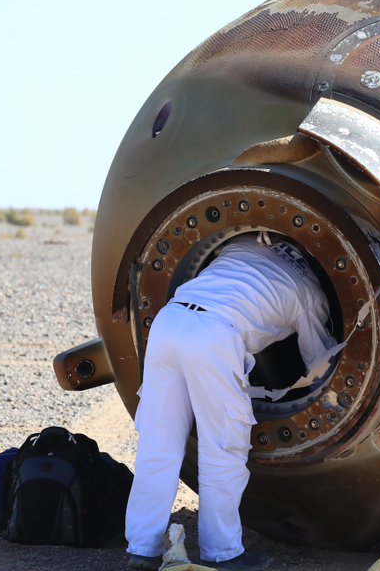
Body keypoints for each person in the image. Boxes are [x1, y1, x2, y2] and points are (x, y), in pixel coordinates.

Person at [126, 232, 336, 571]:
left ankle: (142, 548)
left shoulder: (247, 243)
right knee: (223, 447)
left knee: (158, 442)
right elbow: (320, 365)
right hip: (214, 334)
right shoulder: (310, 292)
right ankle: (223, 554)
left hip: (169, 321)